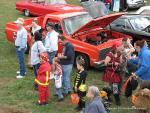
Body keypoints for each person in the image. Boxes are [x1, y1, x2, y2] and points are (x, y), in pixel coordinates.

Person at [102, 41, 122, 106]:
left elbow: (120, 62)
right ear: (116, 47)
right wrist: (113, 63)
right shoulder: (110, 54)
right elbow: (105, 63)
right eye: (120, 46)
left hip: (116, 73)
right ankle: (107, 97)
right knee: (109, 87)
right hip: (109, 73)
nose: (121, 47)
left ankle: (117, 100)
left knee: (115, 87)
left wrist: (120, 63)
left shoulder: (119, 53)